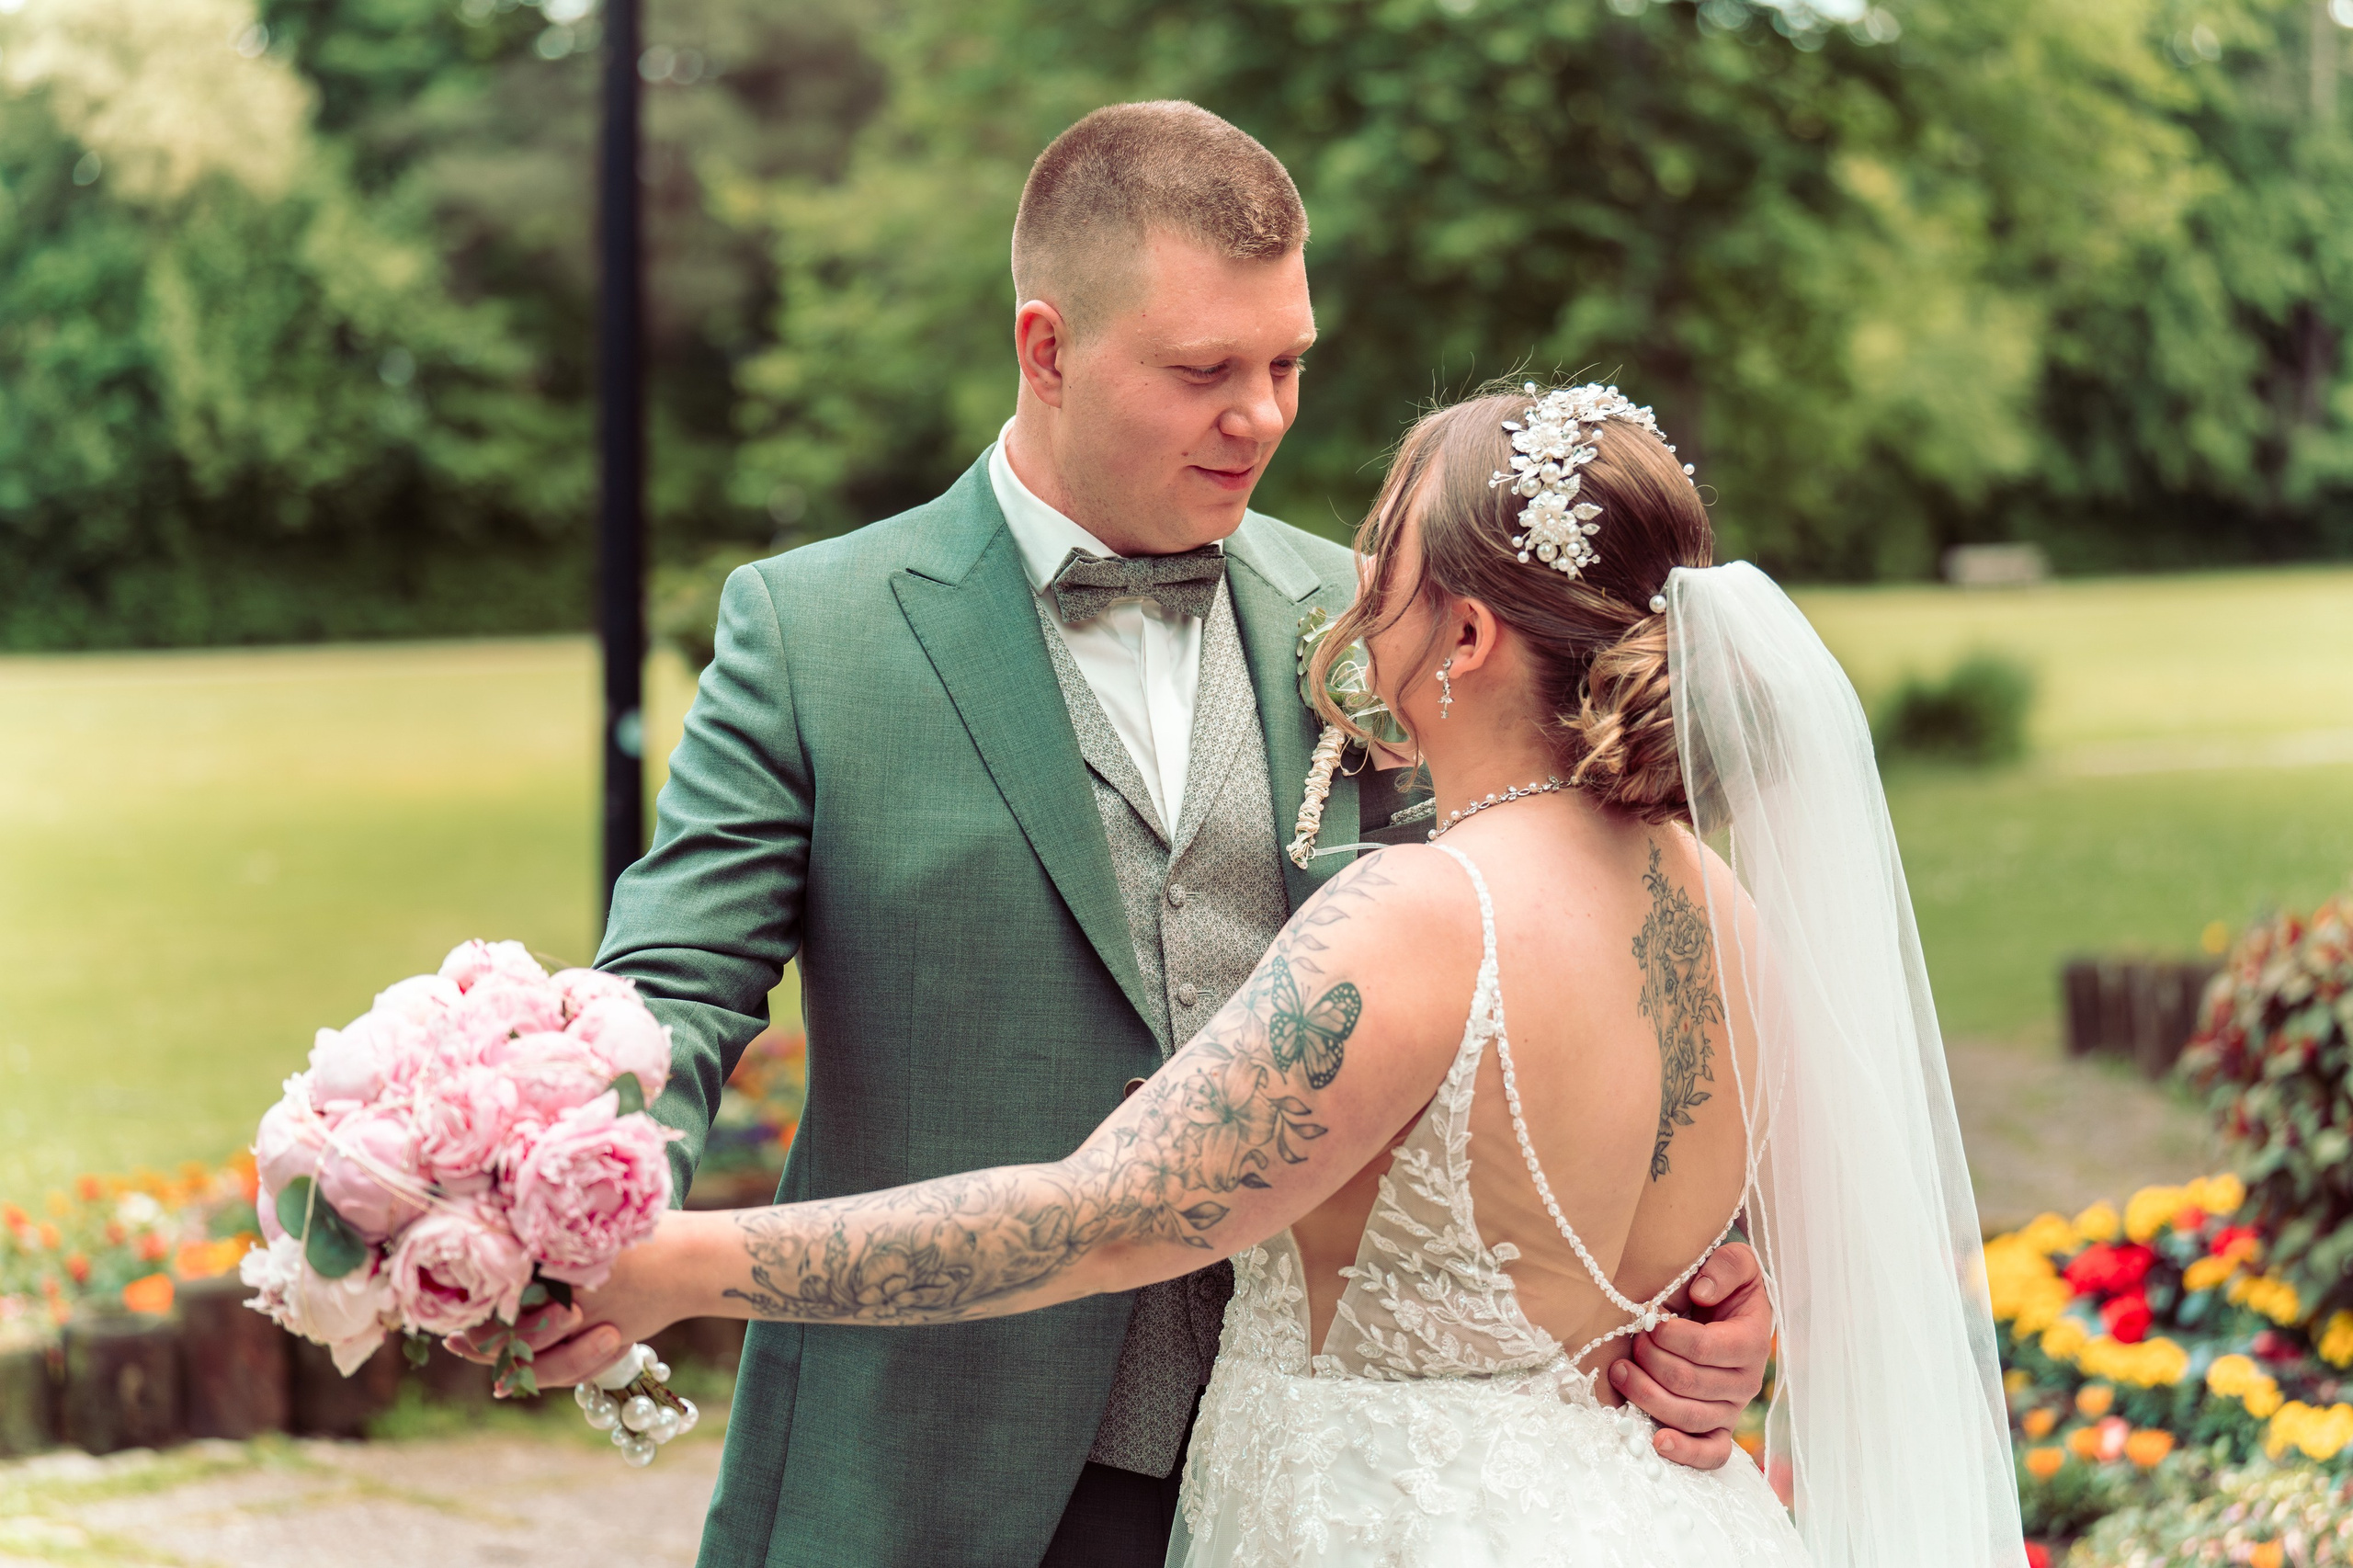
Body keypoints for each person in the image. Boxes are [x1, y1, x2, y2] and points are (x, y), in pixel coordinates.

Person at [505, 103, 1774, 1566]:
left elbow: (1577, 976)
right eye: (1204, 370)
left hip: (1325, 1483)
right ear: (1046, 348)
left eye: (1289, 361)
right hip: (928, 1464)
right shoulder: (816, 632)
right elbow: (673, 982)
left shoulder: (1393, 626)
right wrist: (588, 1202)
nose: (1265, 416)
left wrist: (1730, 1304)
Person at [524, 380, 2025, 1566]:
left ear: (1471, 635)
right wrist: (1727, 1304)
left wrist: (672, 1268)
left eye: (1388, 542)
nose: (1353, 574)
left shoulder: (1424, 916)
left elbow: (1093, 1220)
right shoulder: (1729, 912)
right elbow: (1796, 1255)